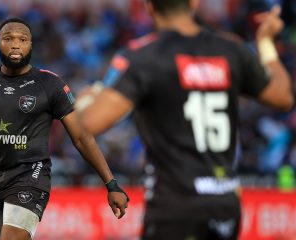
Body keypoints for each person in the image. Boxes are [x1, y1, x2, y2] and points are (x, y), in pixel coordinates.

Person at [76, 1, 293, 239]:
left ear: (149, 6)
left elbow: (89, 124)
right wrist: (265, 42)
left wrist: (90, 98)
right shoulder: (231, 49)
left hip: (175, 206)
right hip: (224, 204)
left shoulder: (142, 57)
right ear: (194, 2)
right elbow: (284, 97)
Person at [0, 17, 129, 240]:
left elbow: (81, 136)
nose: (15, 44)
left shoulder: (50, 84)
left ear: (31, 45)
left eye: (22, 39)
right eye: (8, 39)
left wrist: (111, 183)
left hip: (31, 176)